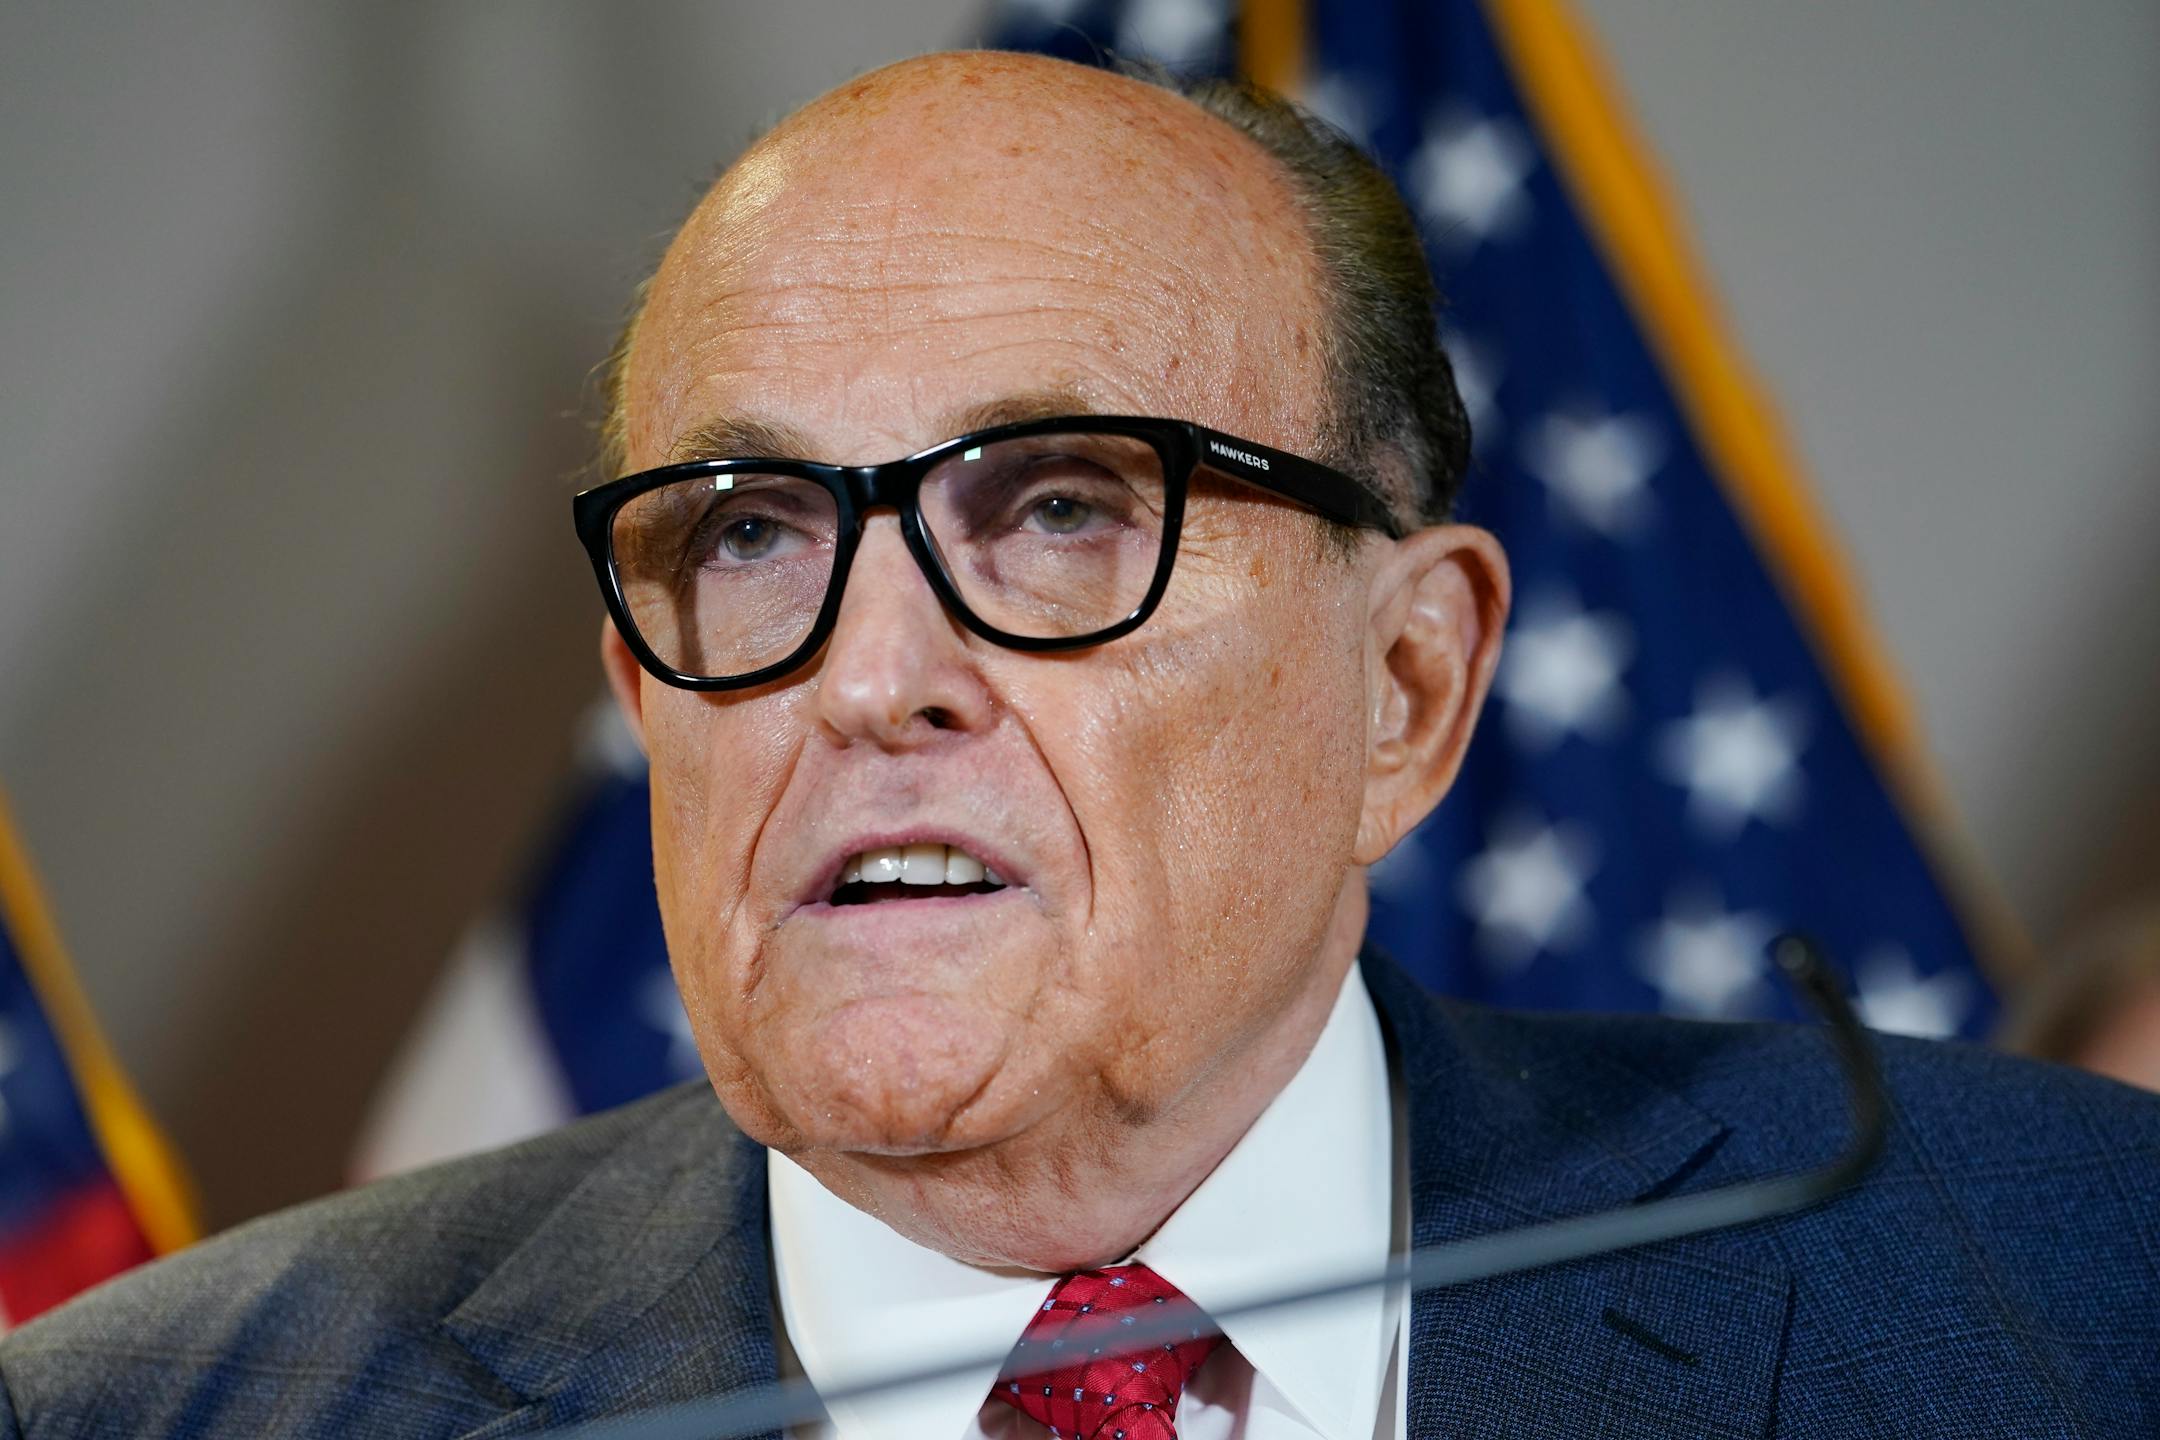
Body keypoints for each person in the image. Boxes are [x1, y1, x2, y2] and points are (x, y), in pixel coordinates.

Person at [5, 51, 2158, 1440]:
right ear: (644, 692)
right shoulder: (158, 1419)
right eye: (749, 534)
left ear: (1407, 688)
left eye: (1058, 512)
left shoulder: (2074, 1286)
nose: (872, 680)